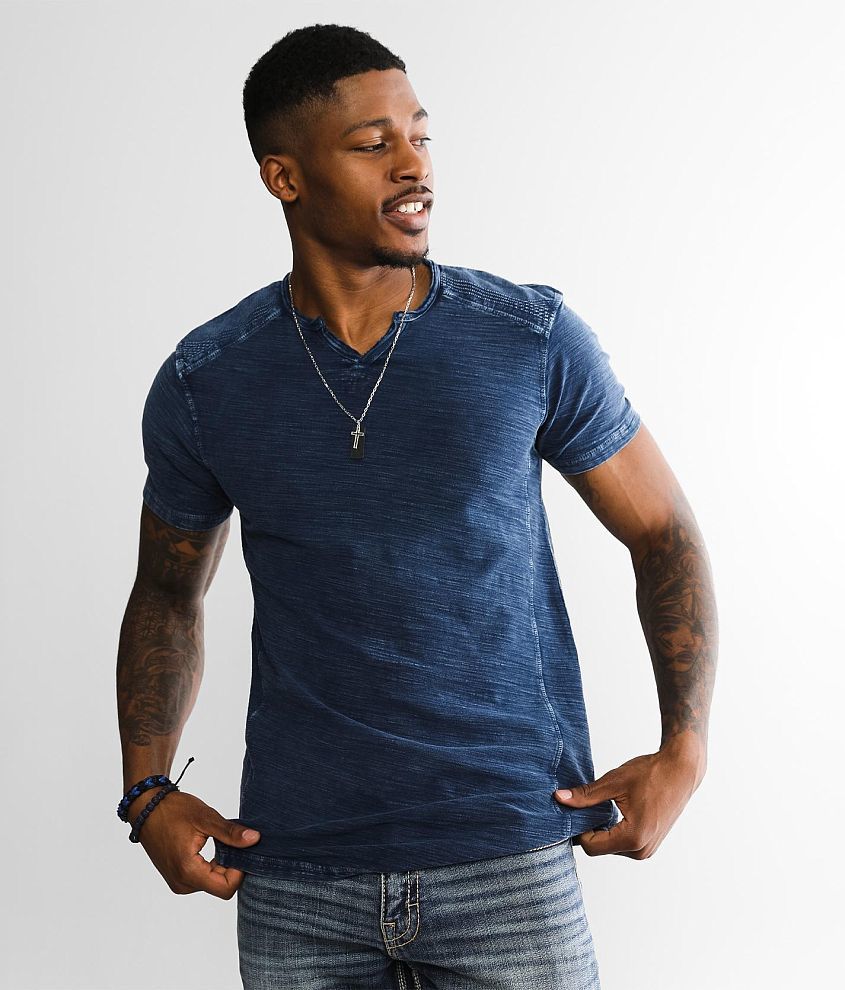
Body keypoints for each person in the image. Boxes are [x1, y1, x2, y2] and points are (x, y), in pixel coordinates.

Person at [116, 23, 718, 990]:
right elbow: (165, 592)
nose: (413, 165)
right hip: (295, 875)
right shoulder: (208, 379)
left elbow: (662, 531)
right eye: (372, 143)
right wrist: (147, 788)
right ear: (283, 177)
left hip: (508, 856)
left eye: (420, 135)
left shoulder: (526, 339)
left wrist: (683, 750)